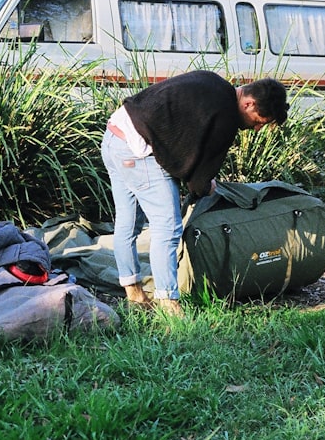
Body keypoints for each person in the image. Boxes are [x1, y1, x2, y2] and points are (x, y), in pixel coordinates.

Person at [101, 71, 289, 316]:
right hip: (137, 150)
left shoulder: (212, 82)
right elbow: (198, 174)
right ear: (248, 103)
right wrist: (203, 185)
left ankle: (134, 293)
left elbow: (180, 139)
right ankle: (169, 303)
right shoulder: (226, 114)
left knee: (128, 223)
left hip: (114, 138)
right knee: (167, 227)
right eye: (259, 121)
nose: (255, 128)